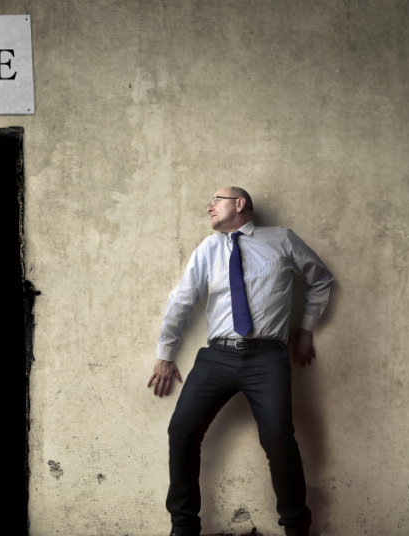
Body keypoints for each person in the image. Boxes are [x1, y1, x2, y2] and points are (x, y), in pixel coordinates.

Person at [147, 186, 333, 536]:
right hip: (217, 356)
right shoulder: (209, 248)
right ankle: (183, 527)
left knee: (279, 437)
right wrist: (164, 354)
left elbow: (320, 279)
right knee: (181, 431)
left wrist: (306, 328)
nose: (208, 207)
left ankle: (297, 527)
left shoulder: (281, 239)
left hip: (267, 358)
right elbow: (182, 300)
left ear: (240, 203)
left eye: (215, 200)